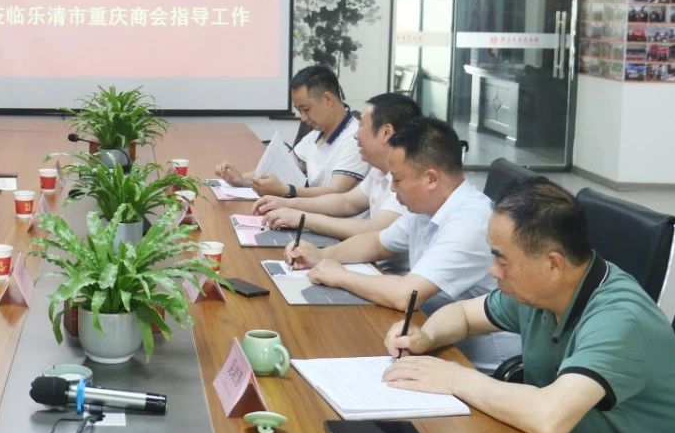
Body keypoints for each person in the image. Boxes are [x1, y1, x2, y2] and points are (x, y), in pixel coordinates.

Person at [382, 178, 675, 433]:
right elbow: (463, 315)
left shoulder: (619, 320)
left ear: (552, 264)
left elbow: (550, 418)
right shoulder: (542, 290)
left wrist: (455, 378)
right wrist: (427, 336)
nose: (493, 271)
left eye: (502, 260)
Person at [286, 116, 518, 370]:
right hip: (429, 336)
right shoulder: (428, 206)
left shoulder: (470, 221)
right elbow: (378, 243)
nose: (393, 190)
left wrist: (340, 275)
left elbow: (406, 296)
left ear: (431, 179)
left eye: (397, 180)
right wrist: (322, 255)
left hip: (476, 362)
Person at [256, 92, 420, 240]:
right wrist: (287, 204)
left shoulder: (408, 178)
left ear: (386, 133)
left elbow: (373, 230)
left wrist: (301, 218)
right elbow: (346, 202)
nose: (356, 135)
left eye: (362, 126)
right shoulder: (379, 170)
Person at [215, 65, 367, 198]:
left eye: (306, 109)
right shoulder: (316, 133)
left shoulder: (355, 139)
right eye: (299, 111)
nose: (303, 118)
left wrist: (287, 190)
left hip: (337, 221)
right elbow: (280, 168)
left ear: (328, 99)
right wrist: (242, 179)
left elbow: (335, 194)